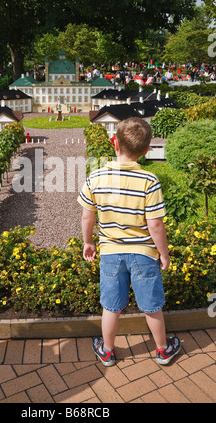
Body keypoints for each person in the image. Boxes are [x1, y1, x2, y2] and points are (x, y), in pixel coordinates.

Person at [77, 118, 181, 367]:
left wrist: (88, 242)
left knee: (111, 306)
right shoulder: (149, 181)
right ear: (146, 151)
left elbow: (86, 215)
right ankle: (162, 350)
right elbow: (155, 225)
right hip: (144, 253)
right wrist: (164, 254)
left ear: (115, 143)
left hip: (111, 253)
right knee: (151, 306)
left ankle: (108, 352)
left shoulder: (96, 177)